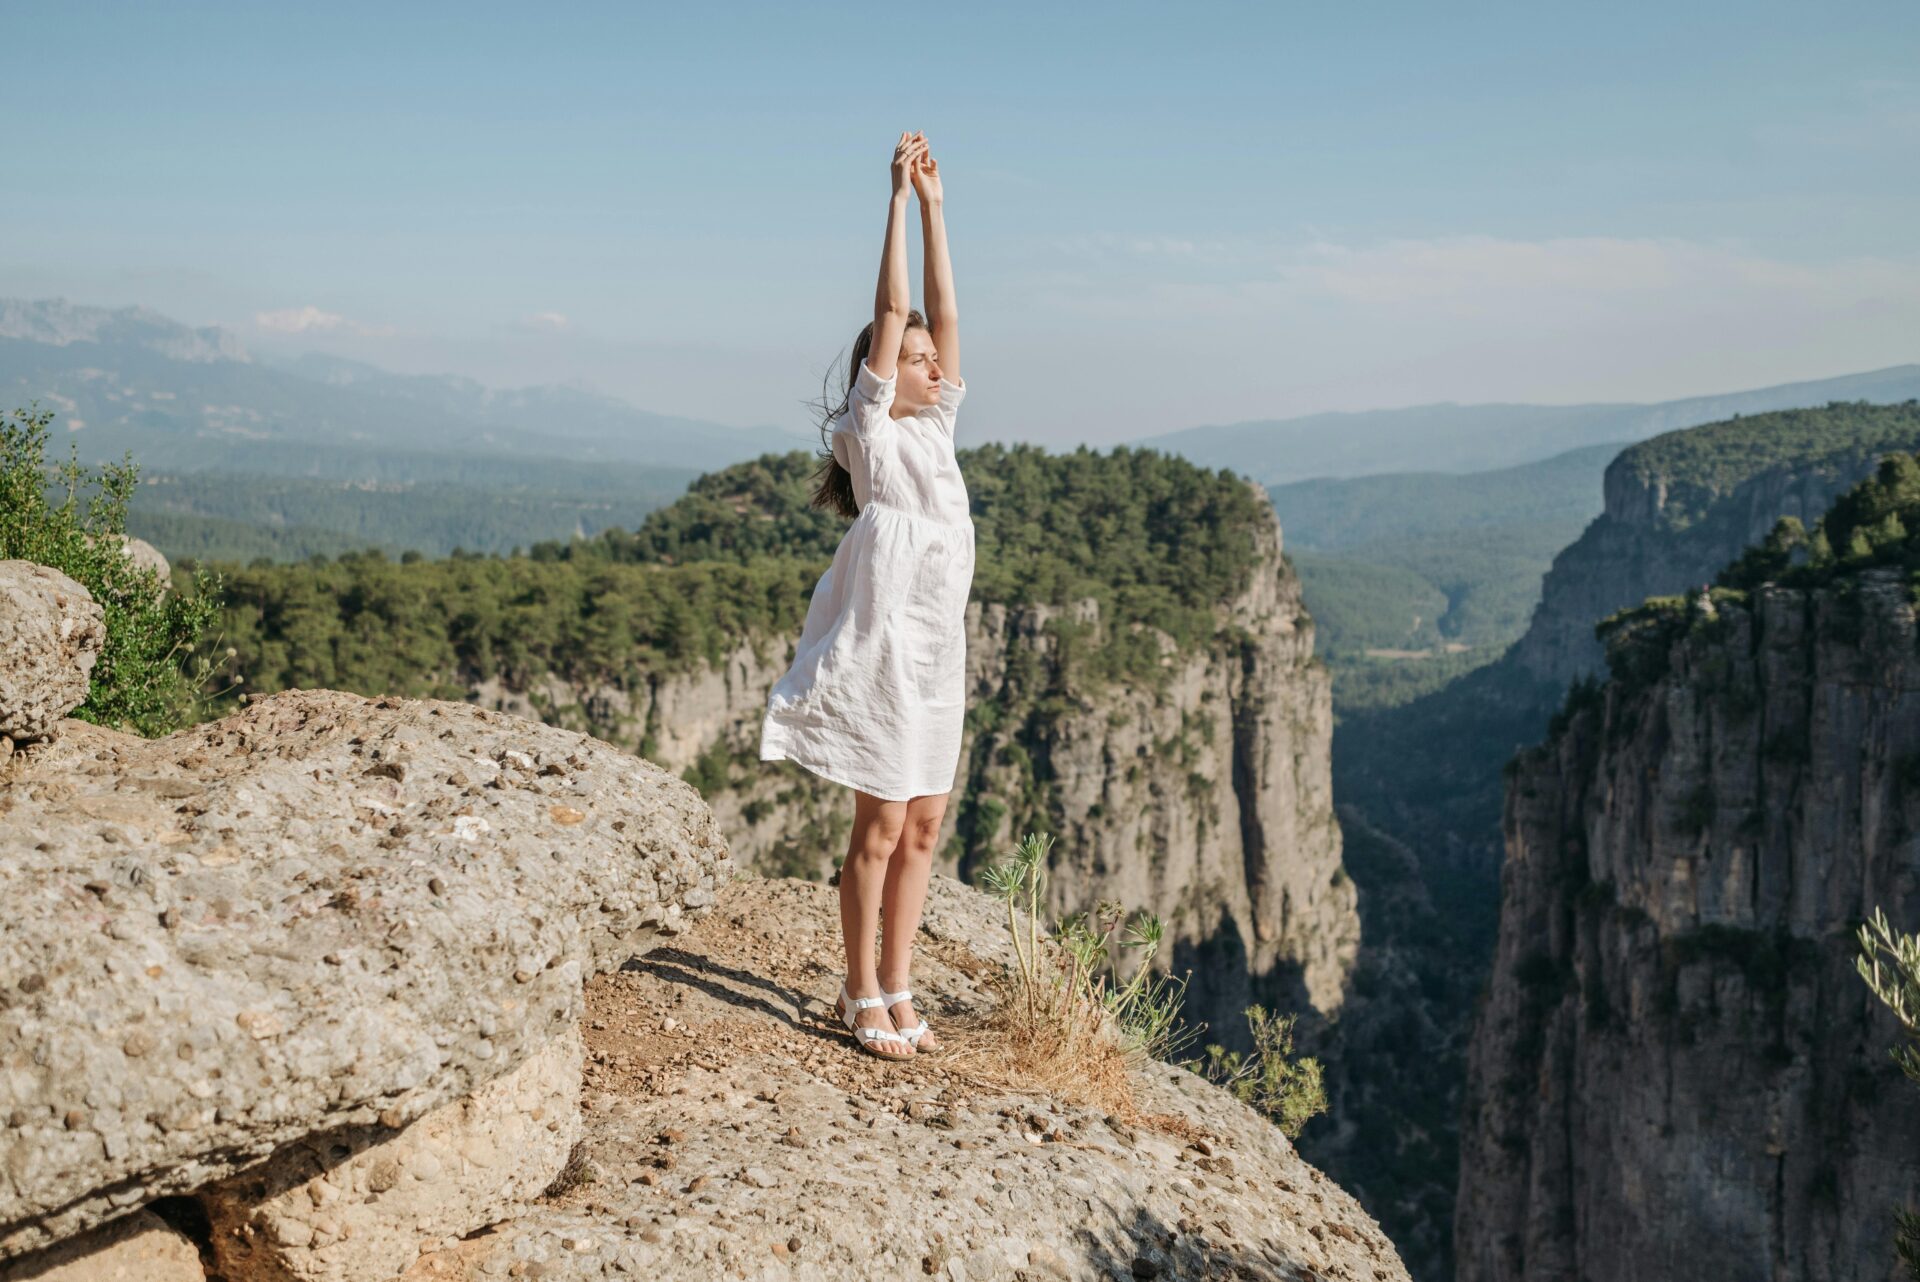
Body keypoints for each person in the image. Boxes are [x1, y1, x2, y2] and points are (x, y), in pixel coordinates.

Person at [758, 130, 972, 1061]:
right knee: (879, 828)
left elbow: (945, 313)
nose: (931, 363)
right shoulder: (873, 432)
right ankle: (857, 992)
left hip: (938, 650)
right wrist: (892, 198)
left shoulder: (942, 428)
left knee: (924, 824)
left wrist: (937, 207)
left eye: (931, 358)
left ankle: (899, 985)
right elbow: (894, 306)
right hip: (885, 647)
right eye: (914, 356)